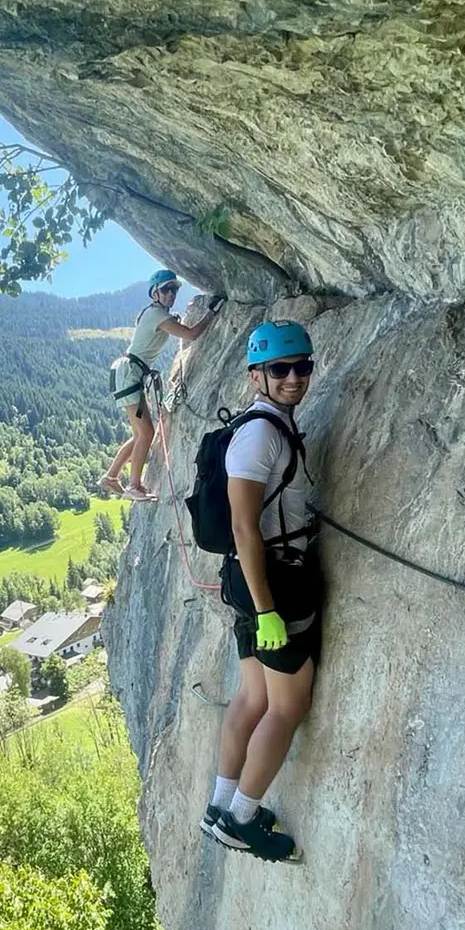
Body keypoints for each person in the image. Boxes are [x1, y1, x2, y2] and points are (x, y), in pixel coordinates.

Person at [202, 321, 322, 862]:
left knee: (253, 697)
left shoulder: (269, 424)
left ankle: (219, 806)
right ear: (257, 376)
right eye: (280, 369)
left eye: (303, 366)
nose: (294, 377)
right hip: (272, 581)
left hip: (249, 577)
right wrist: (268, 608)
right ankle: (242, 819)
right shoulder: (259, 435)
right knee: (287, 706)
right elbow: (244, 526)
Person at [101, 269, 219, 501]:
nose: (171, 294)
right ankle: (134, 486)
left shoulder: (155, 313)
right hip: (130, 374)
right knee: (146, 433)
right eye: (166, 290)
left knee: (140, 433)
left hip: (128, 372)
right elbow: (191, 334)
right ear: (154, 293)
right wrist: (212, 313)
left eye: (174, 289)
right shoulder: (157, 315)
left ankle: (111, 476)